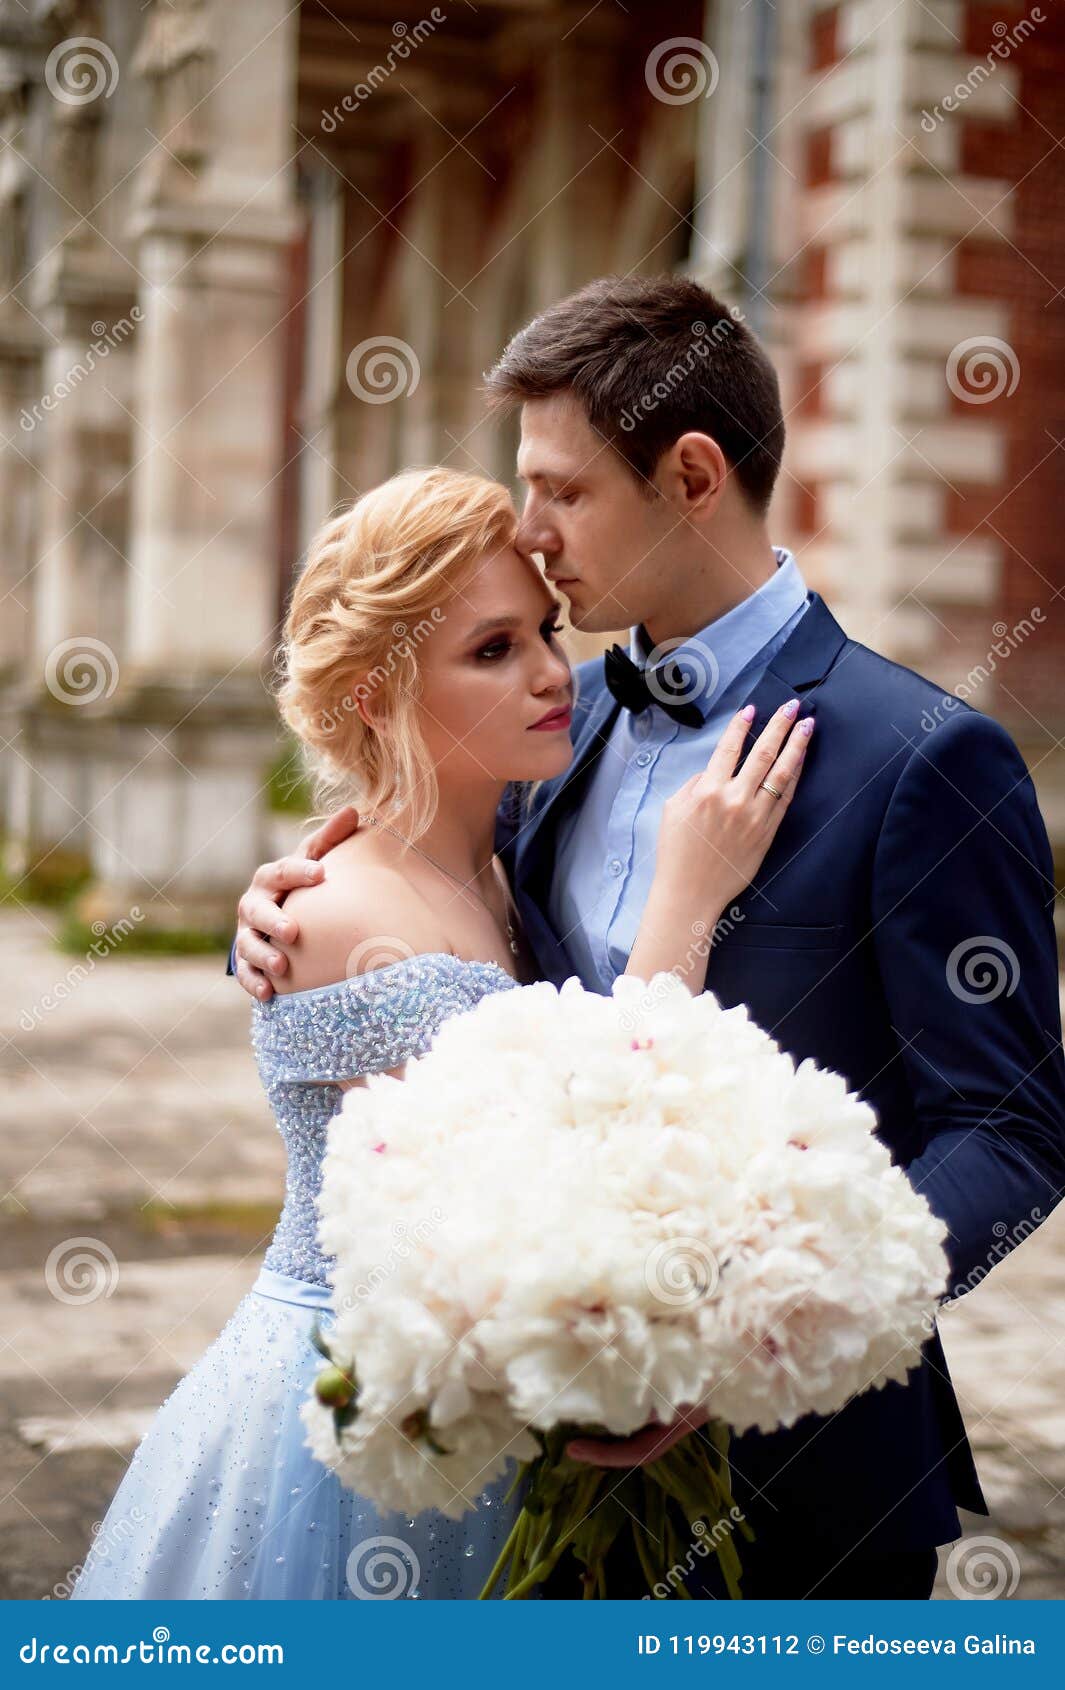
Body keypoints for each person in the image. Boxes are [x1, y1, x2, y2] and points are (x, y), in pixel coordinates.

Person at [234, 275, 1065, 1601]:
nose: (530, 525)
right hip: (535, 1473)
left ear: (688, 475)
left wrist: (756, 1330)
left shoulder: (922, 761)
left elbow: (1014, 1133)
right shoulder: (563, 727)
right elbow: (454, 939)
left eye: (562, 490)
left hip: (813, 1490)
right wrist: (288, 898)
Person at [72, 464, 808, 1601]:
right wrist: (686, 898)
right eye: (493, 649)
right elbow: (581, 1174)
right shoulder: (337, 915)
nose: (555, 674)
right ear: (372, 694)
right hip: (360, 1421)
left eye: (546, 633)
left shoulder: (496, 858)